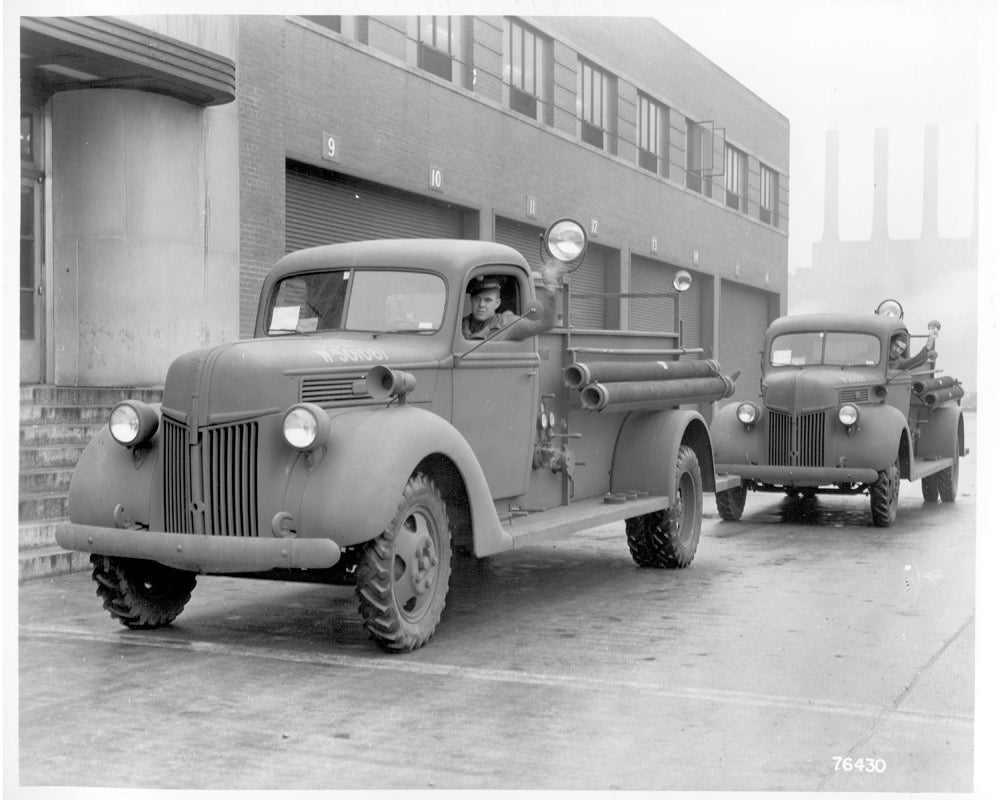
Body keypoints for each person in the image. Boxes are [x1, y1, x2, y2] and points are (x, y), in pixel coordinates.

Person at [461, 266, 562, 341]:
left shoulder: (508, 324)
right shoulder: (459, 325)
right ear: (471, 300)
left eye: (488, 300)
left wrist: (550, 287)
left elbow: (545, 323)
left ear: (497, 303)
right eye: (477, 299)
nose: (481, 305)